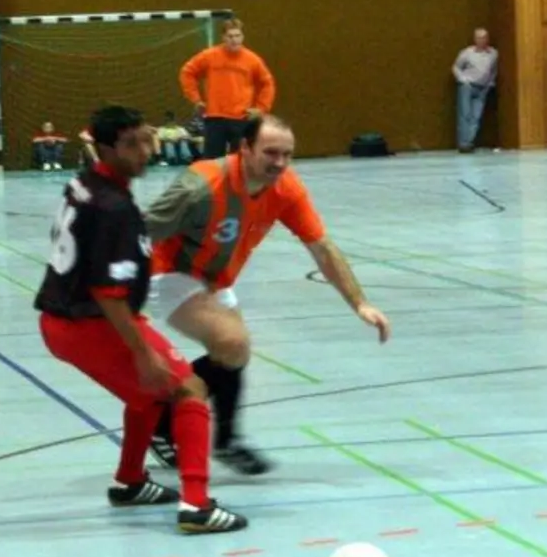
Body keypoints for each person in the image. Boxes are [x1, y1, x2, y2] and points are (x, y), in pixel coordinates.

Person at [33, 105, 246, 534]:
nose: (145, 151)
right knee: (187, 388)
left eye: (147, 139)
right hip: (88, 323)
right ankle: (196, 506)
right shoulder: (115, 209)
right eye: (131, 144)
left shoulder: (84, 185)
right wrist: (143, 350)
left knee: (147, 396)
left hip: (63, 320)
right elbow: (108, 294)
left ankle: (130, 482)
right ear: (106, 148)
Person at [144, 114, 391, 474]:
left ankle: (184, 429)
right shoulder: (202, 184)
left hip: (217, 277)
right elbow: (142, 229)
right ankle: (197, 433)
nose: (279, 162)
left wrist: (360, 303)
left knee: (231, 355)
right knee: (234, 342)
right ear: (245, 148)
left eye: (287, 154)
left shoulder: (285, 188)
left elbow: (321, 247)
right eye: (270, 152)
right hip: (170, 272)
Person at [179, 19, 275, 160]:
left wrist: (261, 108)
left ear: (242, 37)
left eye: (237, 36)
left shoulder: (253, 60)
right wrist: (196, 99)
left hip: (242, 118)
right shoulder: (209, 56)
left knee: (241, 162)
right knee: (212, 163)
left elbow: (268, 83)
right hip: (215, 118)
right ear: (223, 37)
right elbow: (187, 72)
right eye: (230, 36)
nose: (234, 40)